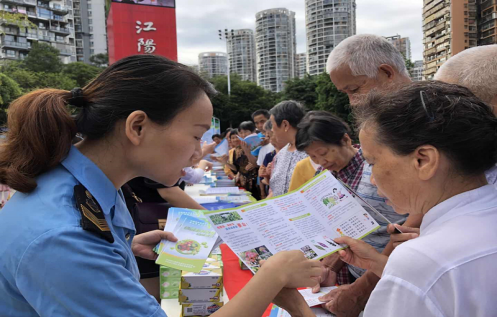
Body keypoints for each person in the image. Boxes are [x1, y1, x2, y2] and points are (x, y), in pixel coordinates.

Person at [0, 55, 321, 316]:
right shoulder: (66, 236)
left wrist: (120, 250)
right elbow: (69, 251)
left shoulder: (78, 190)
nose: (199, 153)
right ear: (137, 126)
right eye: (196, 135)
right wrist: (272, 275)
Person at [328, 81, 497, 316]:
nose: (373, 179)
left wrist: (296, 307)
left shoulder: (421, 260)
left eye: (373, 162)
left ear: (423, 160)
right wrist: (381, 264)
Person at [315, 33, 419, 316]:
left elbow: (410, 224)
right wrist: (338, 265)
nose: (352, 102)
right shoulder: (387, 122)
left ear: (386, 73)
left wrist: (362, 290)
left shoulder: (425, 122)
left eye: (355, 89)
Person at [294, 111, 409, 288]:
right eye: (313, 157)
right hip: (350, 271)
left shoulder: (377, 168)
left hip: (391, 271)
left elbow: (409, 221)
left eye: (323, 153)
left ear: (346, 140)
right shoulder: (323, 176)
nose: (320, 161)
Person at [268, 101, 308, 197]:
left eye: (272, 125)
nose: (272, 130)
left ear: (285, 125)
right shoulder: (281, 154)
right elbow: (274, 191)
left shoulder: (312, 153)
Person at [224, 129, 261, 200]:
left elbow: (257, 163)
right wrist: (224, 162)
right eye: (233, 138)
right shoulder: (235, 151)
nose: (235, 139)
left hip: (253, 182)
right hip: (242, 183)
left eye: (236, 137)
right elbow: (236, 168)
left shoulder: (251, 148)